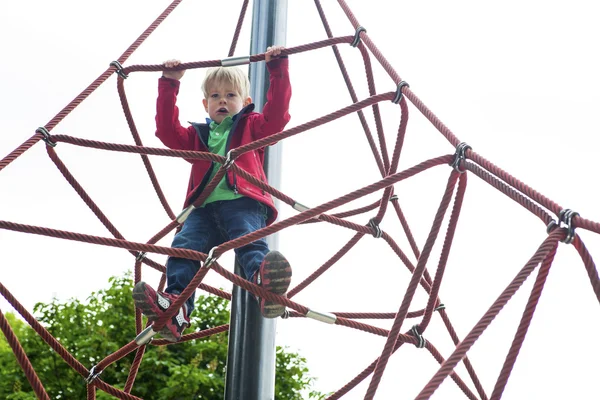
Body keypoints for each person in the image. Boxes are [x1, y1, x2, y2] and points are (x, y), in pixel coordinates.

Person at [133, 46, 292, 342]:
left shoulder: (251, 126)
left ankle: (266, 285)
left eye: (230, 96)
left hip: (242, 201)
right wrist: (170, 82)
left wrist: (277, 69)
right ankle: (175, 309)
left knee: (248, 241)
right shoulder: (198, 136)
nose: (223, 101)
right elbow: (166, 132)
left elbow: (277, 117)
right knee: (184, 248)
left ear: (245, 102)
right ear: (206, 104)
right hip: (203, 209)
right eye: (216, 96)